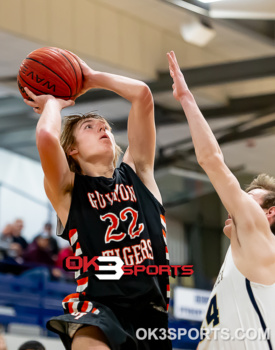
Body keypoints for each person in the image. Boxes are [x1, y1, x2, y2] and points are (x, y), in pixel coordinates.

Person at [23, 52, 171, 350]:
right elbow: (46, 137)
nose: (102, 128)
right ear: (72, 151)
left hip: (152, 315)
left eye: (104, 126)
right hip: (98, 307)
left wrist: (89, 77)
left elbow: (142, 95)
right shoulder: (67, 188)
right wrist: (53, 102)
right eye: (89, 127)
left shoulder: (138, 173)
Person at [167, 51, 275, 349]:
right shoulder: (243, 256)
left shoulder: (259, 238)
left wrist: (186, 98)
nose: (235, 204)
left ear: (270, 213)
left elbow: (211, 160)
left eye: (248, 199)